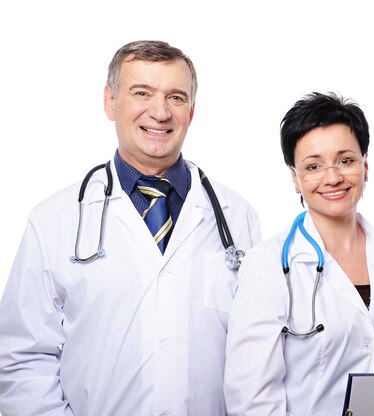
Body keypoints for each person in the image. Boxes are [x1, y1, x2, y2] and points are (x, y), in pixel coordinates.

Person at [0, 40, 261, 415]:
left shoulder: (238, 217)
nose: (160, 112)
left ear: (192, 110)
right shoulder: (54, 220)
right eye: (142, 93)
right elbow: (21, 357)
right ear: (110, 102)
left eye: (176, 97)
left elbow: (255, 353)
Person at [224, 92, 374, 415]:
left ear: (365, 165)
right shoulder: (268, 266)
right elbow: (252, 396)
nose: (333, 177)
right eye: (313, 166)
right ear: (295, 179)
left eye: (346, 160)